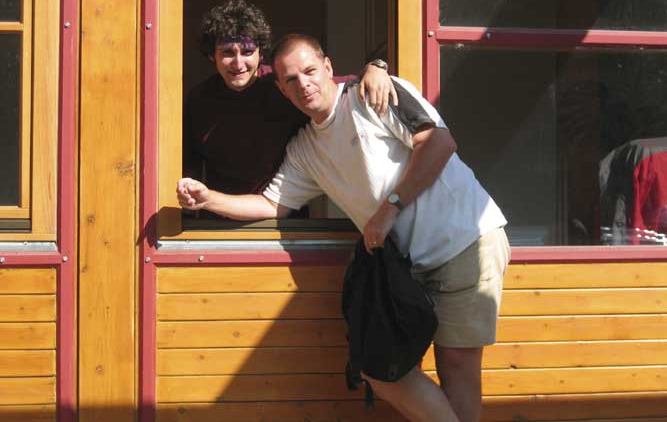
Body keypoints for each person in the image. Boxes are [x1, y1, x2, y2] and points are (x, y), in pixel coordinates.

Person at [177, 34, 510, 422]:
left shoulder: (374, 94)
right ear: (281, 89)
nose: (304, 84)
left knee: (457, 366)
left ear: (328, 67)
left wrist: (389, 208)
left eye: (310, 71)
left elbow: (438, 143)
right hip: (408, 268)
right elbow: (271, 204)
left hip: (465, 240)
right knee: (382, 370)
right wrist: (208, 199)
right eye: (291, 79)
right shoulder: (306, 149)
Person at [183, 0, 395, 202]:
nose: (238, 63)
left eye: (247, 52)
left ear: (260, 53)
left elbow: (342, 86)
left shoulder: (286, 83)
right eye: (227, 53)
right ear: (211, 55)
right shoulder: (199, 100)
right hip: (217, 216)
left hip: (285, 216)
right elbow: (188, 166)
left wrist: (375, 68)